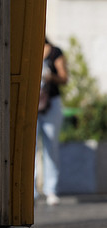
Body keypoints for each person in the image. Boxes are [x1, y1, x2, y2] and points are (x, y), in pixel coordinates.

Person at [36, 37, 68, 204]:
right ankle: (31, 191)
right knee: (30, 148)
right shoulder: (26, 50)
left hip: (51, 103)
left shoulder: (55, 52)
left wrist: (50, 78)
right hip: (31, 103)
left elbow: (64, 77)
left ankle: (51, 189)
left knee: (51, 147)